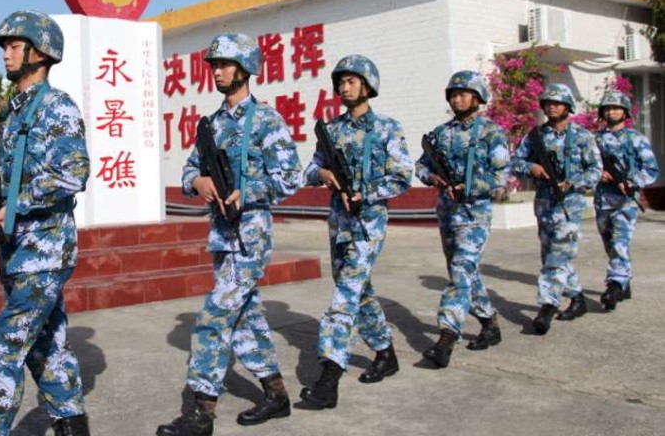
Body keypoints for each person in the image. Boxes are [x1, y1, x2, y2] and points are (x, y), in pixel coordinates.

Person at [157, 33, 302, 436]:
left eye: (224, 64)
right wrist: (198, 183)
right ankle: (276, 394)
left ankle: (200, 413)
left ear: (245, 68)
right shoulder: (213, 124)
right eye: (214, 65)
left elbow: (289, 178)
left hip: (251, 236)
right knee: (246, 320)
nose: (216, 71)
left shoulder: (267, 120)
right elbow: (188, 169)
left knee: (212, 319)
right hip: (222, 236)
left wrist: (248, 191)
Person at [0, 10, 91, 436]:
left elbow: (74, 172)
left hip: (45, 248)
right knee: (47, 343)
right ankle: (72, 424)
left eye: (14, 46)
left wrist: (19, 202)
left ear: (39, 54)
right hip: (18, 249)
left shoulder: (56, 107)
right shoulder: (14, 114)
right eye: (4, 46)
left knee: (5, 344)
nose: (5, 54)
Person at [299, 55, 412, 410]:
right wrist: (322, 175)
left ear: (367, 86)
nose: (344, 87)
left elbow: (402, 176)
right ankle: (385, 351)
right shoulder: (332, 131)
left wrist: (368, 193)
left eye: (351, 81)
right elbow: (310, 168)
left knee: (345, 295)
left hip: (369, 222)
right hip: (339, 222)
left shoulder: (388, 128)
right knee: (357, 289)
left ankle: (329, 374)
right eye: (341, 81)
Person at [415, 71, 510, 368]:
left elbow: (501, 176)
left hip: (474, 215)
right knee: (466, 273)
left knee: (459, 271)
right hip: (448, 213)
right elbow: (420, 165)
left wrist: (468, 186)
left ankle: (446, 335)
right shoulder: (441, 133)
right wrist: (431, 177)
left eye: (463, 93)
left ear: (478, 97)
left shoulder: (492, 133)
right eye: (453, 94)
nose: (457, 99)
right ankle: (489, 322)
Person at [511, 83, 602, 335]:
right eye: (548, 102)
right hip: (544, 203)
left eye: (557, 103)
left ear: (568, 107)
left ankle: (547, 305)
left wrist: (573, 182)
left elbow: (595, 170)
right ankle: (578, 298)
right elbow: (516, 161)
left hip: (569, 205)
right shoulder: (535, 136)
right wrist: (532, 168)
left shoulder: (583, 136)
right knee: (552, 254)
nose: (552, 106)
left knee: (558, 256)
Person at [593, 90, 659, 310]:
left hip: (625, 201)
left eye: (616, 108)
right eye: (608, 108)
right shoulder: (595, 139)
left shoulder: (636, 138)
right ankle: (623, 281)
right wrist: (598, 174)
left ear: (625, 112)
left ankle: (613, 286)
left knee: (620, 242)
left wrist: (632, 181)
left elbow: (651, 169)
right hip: (603, 199)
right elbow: (585, 165)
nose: (612, 111)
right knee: (610, 244)